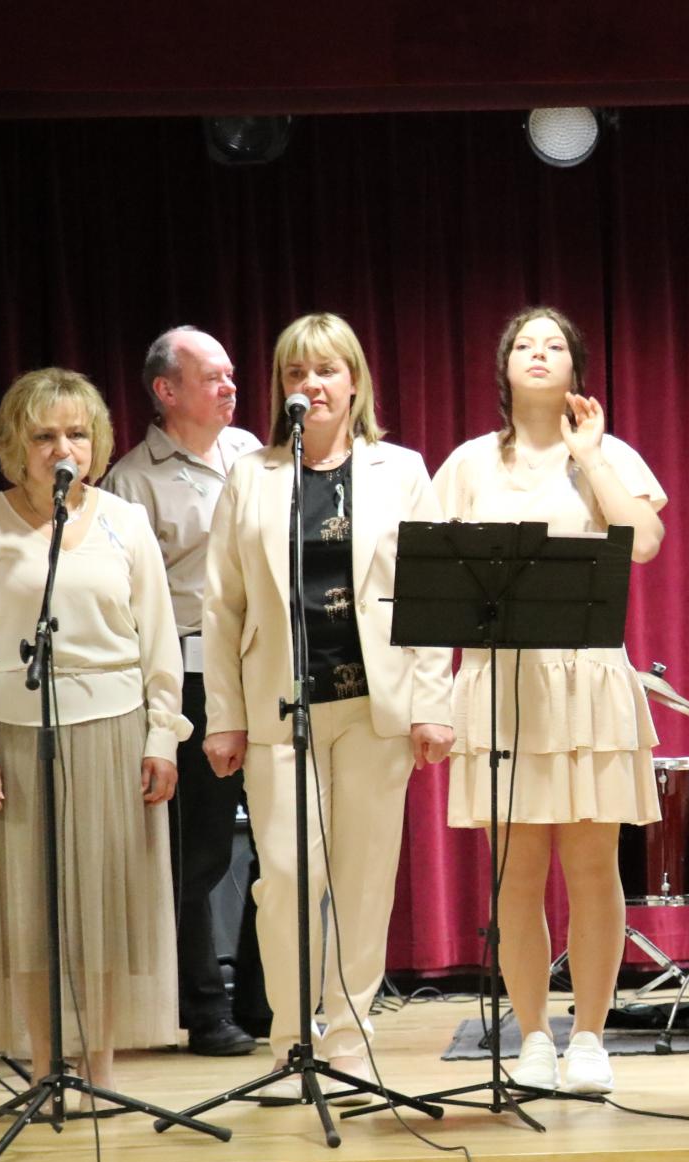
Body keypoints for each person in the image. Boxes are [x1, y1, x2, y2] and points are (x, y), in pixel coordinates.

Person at [201, 312, 455, 1097]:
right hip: (281, 707)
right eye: (295, 372)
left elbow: (430, 593)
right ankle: (290, 1038)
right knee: (283, 876)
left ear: (354, 382)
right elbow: (222, 605)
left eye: (326, 370)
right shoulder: (252, 475)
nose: (311, 385)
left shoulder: (401, 471)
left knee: (364, 880)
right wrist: (224, 715)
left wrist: (432, 702)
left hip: (375, 705)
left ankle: (349, 1036)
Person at [433, 306, 666, 1097]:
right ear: (504, 366)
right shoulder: (468, 463)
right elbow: (427, 567)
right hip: (503, 681)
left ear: (576, 368)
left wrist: (590, 456)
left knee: (593, 866)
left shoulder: (608, 452)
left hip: (587, 677)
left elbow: (643, 541)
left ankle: (591, 1037)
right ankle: (533, 1035)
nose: (539, 353)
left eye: (554, 345)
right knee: (517, 871)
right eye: (525, 345)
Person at [0, 367, 186, 1089]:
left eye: (76, 434)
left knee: (103, 915)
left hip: (114, 733)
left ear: (96, 442)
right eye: (44, 436)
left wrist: (162, 736)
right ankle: (49, 1071)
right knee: (30, 915)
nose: (62, 449)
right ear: (16, 445)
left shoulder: (125, 522)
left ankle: (100, 1072)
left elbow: (159, 641)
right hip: (15, 738)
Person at [103, 326, 267, 1058]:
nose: (230, 387)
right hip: (194, 675)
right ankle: (204, 1010)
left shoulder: (254, 454)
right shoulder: (134, 482)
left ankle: (268, 1002)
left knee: (283, 843)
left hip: (268, 667)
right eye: (212, 378)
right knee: (197, 853)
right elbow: (131, 604)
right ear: (166, 391)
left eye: (231, 375)